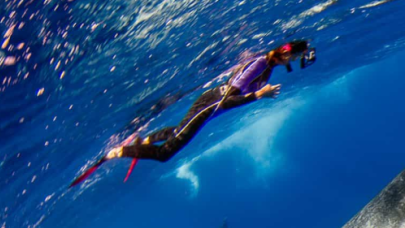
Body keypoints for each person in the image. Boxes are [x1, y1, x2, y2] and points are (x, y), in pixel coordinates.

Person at [70, 40, 315, 186]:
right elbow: (227, 100)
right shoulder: (262, 64)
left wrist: (305, 55)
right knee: (166, 153)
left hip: (209, 103)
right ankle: (116, 153)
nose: (293, 59)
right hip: (213, 104)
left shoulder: (268, 67)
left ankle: (144, 140)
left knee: (178, 131)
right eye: (293, 55)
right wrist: (256, 96)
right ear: (284, 53)